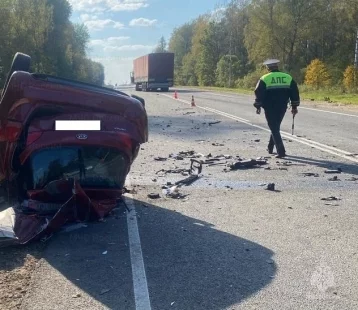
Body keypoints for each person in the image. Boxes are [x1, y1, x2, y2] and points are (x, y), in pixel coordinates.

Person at [254, 59, 300, 158]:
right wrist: (294, 106)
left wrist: (258, 106)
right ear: (277, 67)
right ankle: (270, 148)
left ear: (268, 68)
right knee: (275, 127)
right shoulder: (287, 77)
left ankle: (281, 151)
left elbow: (259, 93)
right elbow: (294, 92)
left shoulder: (264, 78)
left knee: (274, 128)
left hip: (269, 107)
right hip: (282, 106)